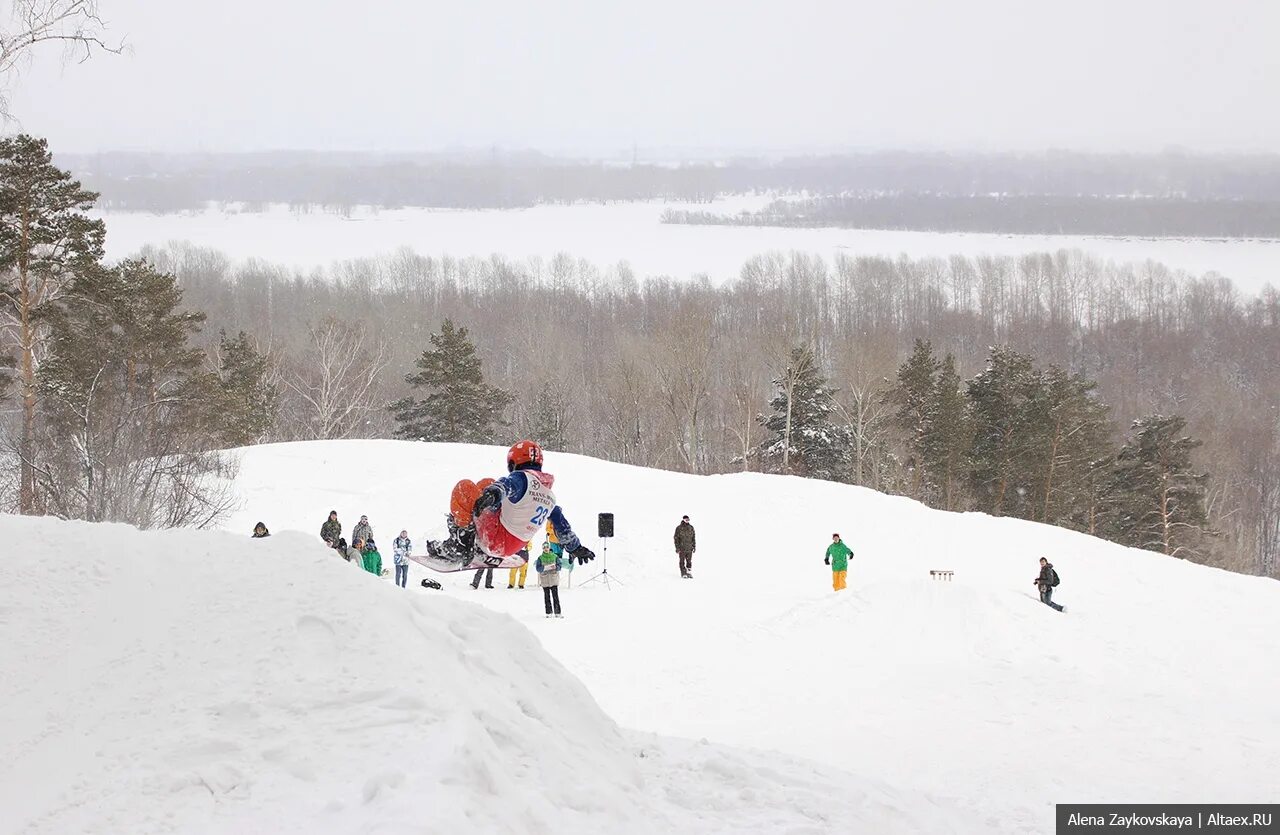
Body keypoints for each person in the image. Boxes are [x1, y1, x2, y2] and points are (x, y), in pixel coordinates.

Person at [427, 440, 596, 571]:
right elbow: (562, 527)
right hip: (513, 546)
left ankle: (460, 546)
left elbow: (506, 485)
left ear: (514, 463)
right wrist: (576, 547)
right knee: (486, 483)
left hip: (495, 539)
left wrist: (492, 494)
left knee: (464, 488)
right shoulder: (550, 496)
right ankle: (477, 547)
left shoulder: (521, 478)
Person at [535, 541, 563, 618]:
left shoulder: (555, 556)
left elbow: (560, 565)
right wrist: (544, 568)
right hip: (545, 580)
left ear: (549, 547)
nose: (546, 549)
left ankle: (557, 612)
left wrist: (556, 567)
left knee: (555, 596)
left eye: (547, 547)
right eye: (544, 548)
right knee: (547, 597)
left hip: (554, 579)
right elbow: (538, 568)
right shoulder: (540, 558)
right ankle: (548, 612)